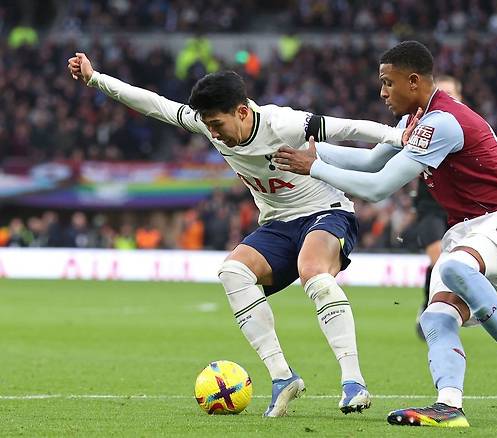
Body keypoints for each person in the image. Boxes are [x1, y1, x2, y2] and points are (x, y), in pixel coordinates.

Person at [68, 53, 416, 417]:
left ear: (242, 112)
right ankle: (283, 378)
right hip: (278, 225)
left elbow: (348, 128)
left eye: (217, 124)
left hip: (326, 212)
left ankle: (353, 382)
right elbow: (154, 104)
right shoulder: (209, 124)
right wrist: (95, 79)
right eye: (208, 126)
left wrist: (396, 135)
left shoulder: (283, 123)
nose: (213, 134)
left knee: (314, 273)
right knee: (232, 272)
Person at [274, 41, 497, 427]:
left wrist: (313, 168)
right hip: (468, 228)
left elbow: (377, 186)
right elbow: (372, 159)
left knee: (454, 268)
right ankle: (449, 405)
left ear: (413, 80)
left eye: (388, 83)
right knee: (435, 317)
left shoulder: (442, 122)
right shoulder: (415, 121)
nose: (382, 93)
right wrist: (309, 151)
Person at [407, 75, 462, 339]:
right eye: (444, 93)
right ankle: (430, 308)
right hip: (429, 208)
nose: (448, 98)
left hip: (459, 213)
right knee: (440, 262)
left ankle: (436, 306)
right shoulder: (424, 126)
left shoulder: (467, 128)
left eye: (453, 93)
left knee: (452, 265)